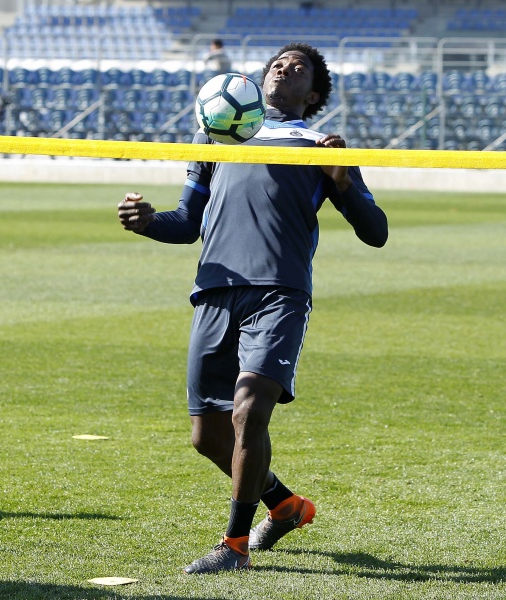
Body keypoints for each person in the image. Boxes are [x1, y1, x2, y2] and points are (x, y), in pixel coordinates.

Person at [117, 42, 388, 574]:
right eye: (277, 63)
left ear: (311, 94)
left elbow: (375, 232)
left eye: (298, 68)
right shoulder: (215, 136)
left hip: (279, 294)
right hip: (215, 290)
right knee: (207, 436)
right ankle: (285, 506)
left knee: (248, 413)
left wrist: (344, 182)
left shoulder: (318, 147)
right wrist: (148, 222)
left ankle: (234, 546)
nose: (283, 69)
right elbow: (186, 223)